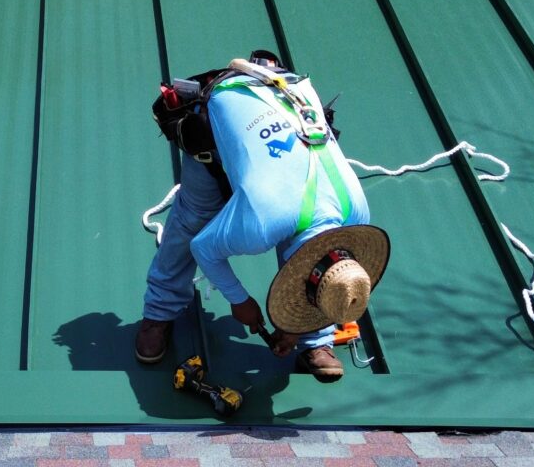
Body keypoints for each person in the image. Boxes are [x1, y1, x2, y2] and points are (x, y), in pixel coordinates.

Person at [137, 50, 389, 383]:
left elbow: (320, 267)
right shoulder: (265, 219)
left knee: (314, 259)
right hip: (216, 127)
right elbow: (204, 248)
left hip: (281, 136)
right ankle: (159, 312)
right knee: (192, 219)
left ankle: (317, 340)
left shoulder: (355, 213)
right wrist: (240, 300)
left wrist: (295, 327)